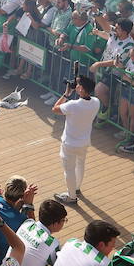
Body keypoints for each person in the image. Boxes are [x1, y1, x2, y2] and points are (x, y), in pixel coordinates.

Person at [52, 74, 101, 204]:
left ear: (82, 89)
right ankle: (77, 188)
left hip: (69, 143)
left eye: (78, 85)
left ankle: (71, 196)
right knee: (80, 165)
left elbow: (55, 109)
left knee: (69, 170)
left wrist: (66, 94)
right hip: (84, 142)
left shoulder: (72, 105)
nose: (76, 86)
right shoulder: (96, 102)